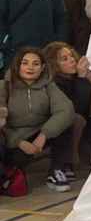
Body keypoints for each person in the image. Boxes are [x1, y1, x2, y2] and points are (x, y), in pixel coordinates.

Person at [0, 46, 73, 192]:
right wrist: (18, 141)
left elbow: (66, 109)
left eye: (36, 64)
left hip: (38, 136)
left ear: (42, 67)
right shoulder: (4, 86)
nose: (30, 67)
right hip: (12, 140)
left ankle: (56, 172)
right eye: (25, 63)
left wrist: (43, 135)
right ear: (18, 66)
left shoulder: (48, 86)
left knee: (68, 122)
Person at [42, 41, 91, 179]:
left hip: (77, 123)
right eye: (64, 59)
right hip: (51, 124)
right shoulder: (53, 83)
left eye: (71, 56)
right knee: (75, 119)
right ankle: (63, 164)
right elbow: (75, 108)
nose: (72, 60)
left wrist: (90, 80)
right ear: (54, 65)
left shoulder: (75, 78)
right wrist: (82, 78)